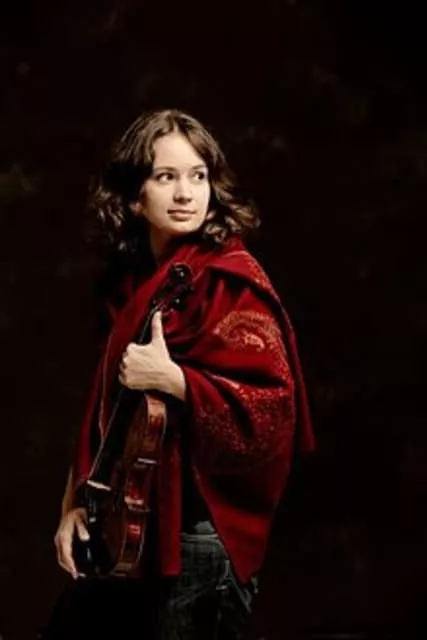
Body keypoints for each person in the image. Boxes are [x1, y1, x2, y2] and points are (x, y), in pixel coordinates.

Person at [45, 108, 315, 640]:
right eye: (166, 177)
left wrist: (175, 380)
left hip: (199, 541)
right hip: (125, 531)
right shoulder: (129, 284)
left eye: (198, 176)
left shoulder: (229, 281)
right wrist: (73, 504)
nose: (186, 193)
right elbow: (104, 408)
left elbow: (272, 413)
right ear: (133, 196)